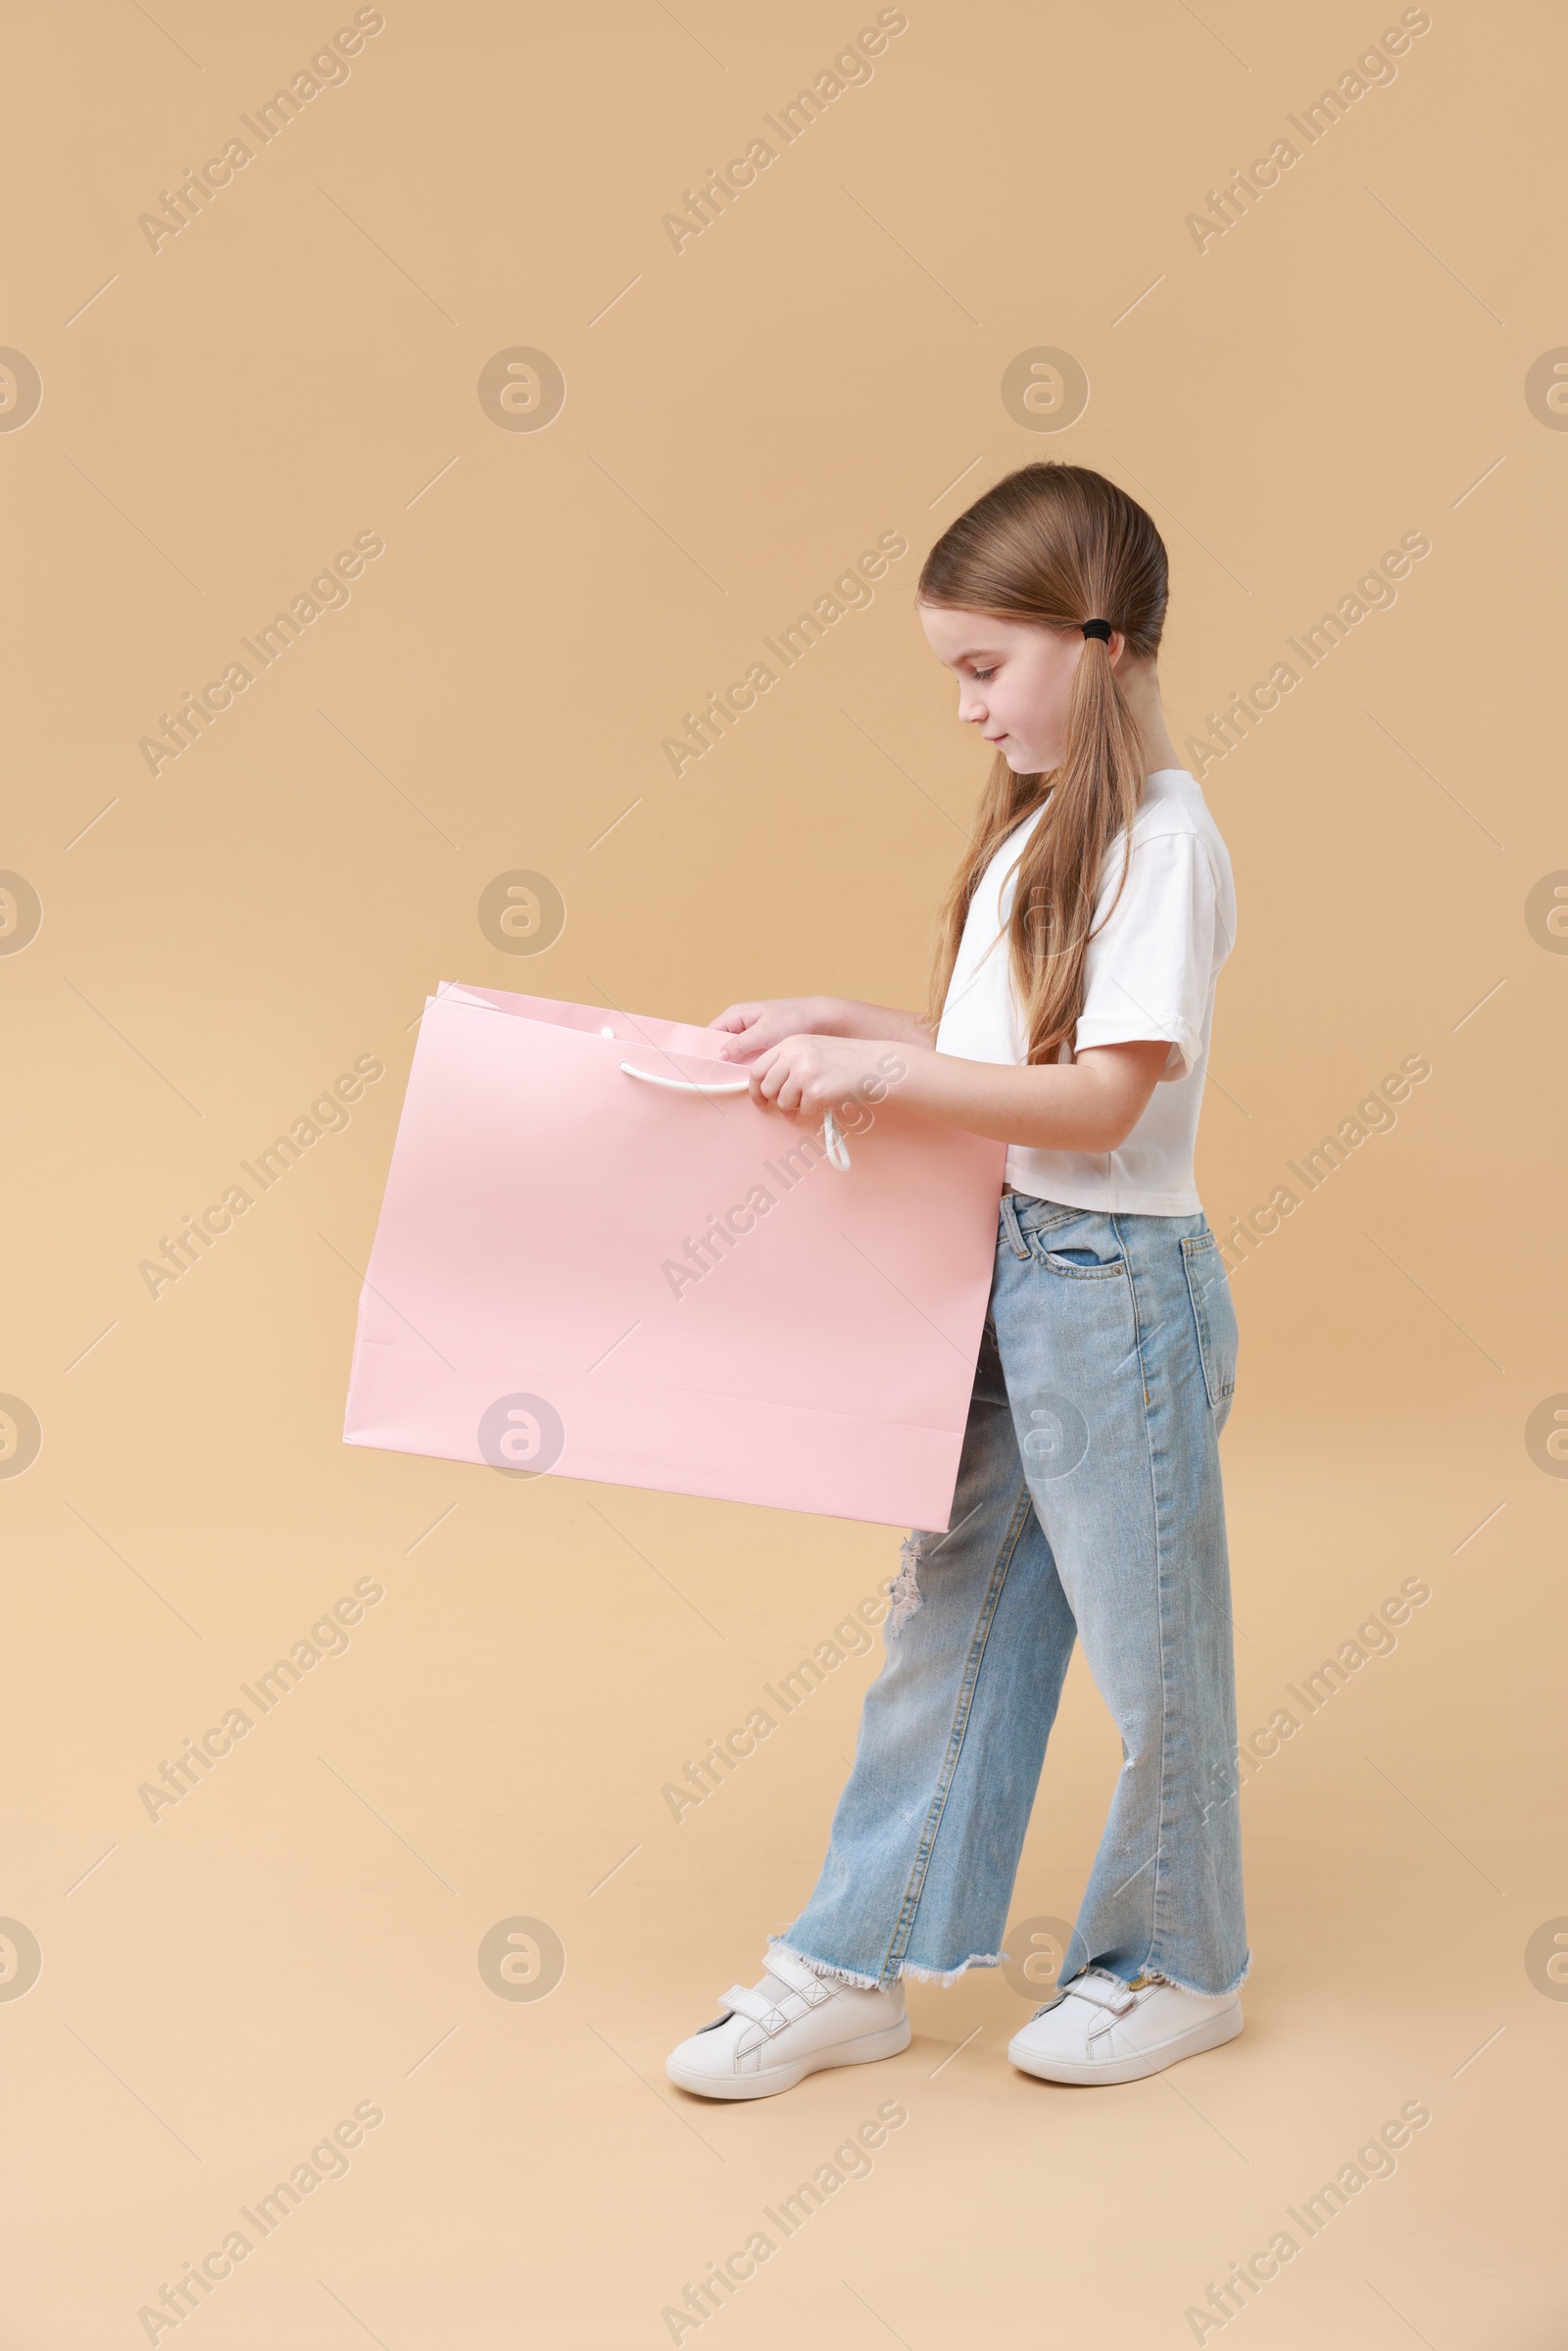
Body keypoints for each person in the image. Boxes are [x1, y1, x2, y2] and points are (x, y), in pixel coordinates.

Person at [665, 461, 1247, 2099]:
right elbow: (1016, 1058)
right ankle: (855, 1962)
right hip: (1016, 1278)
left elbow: (1100, 1103)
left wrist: (888, 1092)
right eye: (956, 677)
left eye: (986, 669)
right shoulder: (1046, 834)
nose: (970, 709)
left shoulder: (1161, 839)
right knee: (945, 1622)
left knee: (1153, 1653)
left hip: (1117, 1294)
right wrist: (862, 1031)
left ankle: (1178, 1964)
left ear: (1102, 639)